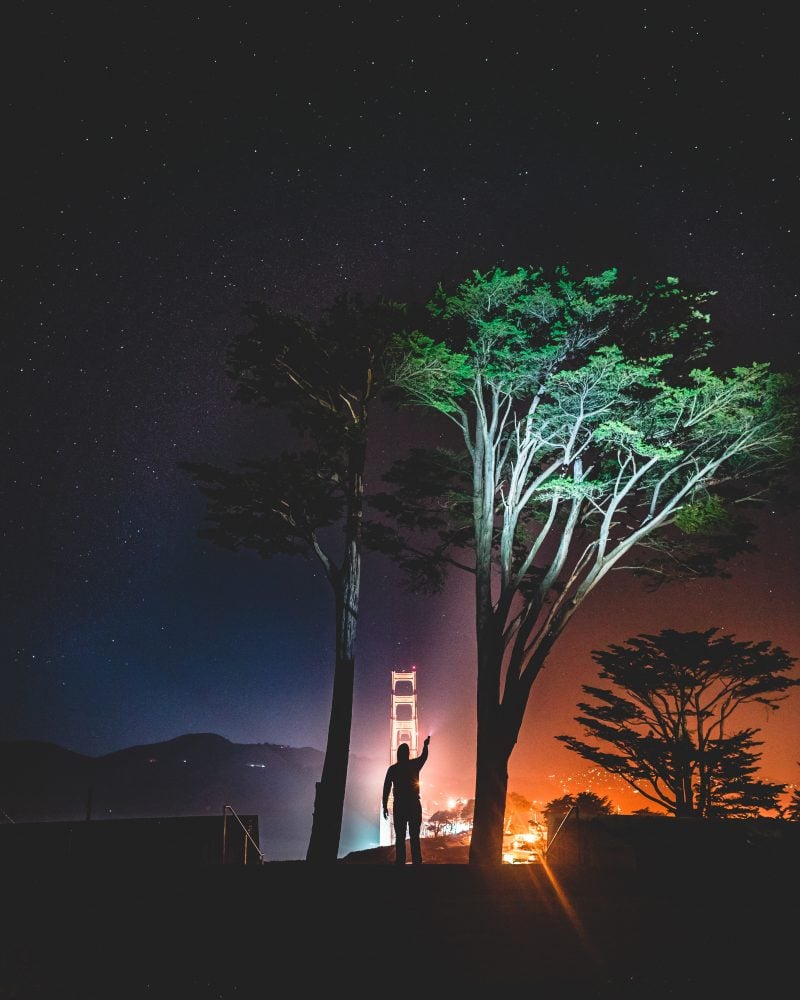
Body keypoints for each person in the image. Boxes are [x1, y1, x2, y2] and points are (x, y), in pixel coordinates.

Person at [382, 735, 430, 865]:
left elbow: (386, 788)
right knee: (415, 836)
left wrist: (384, 806)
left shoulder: (393, 769)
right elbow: (424, 757)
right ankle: (417, 864)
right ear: (408, 754)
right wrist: (425, 746)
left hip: (399, 805)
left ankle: (400, 863)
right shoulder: (414, 765)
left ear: (398, 754)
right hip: (414, 804)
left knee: (400, 836)